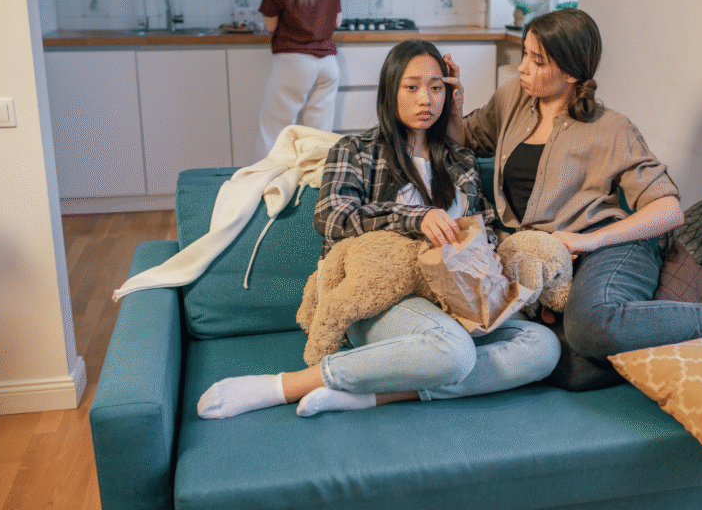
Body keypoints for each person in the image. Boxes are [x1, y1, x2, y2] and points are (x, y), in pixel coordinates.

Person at [198, 39, 561, 419]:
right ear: (390, 90)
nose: (426, 99)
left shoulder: (460, 160)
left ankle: (373, 395)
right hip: (378, 298)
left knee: (542, 346)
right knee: (453, 351)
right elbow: (333, 218)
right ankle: (289, 385)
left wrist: (499, 260)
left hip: (457, 294)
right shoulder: (356, 150)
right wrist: (415, 217)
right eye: (412, 87)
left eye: (436, 87)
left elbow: (482, 228)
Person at [444, 9, 702, 376]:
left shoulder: (612, 128)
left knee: (591, 325)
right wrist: (455, 107)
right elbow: (466, 142)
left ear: (571, 73)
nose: (522, 68)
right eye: (525, 54)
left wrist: (589, 240)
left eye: (537, 61)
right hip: (550, 253)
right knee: (572, 366)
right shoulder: (512, 99)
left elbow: (669, 210)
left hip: (612, 244)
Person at [255, 0, 343, 160]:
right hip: (328, 65)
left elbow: (271, 25)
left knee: (274, 132)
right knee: (319, 139)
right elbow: (337, 21)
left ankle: (266, 182)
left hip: (294, 64)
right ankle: (316, 185)